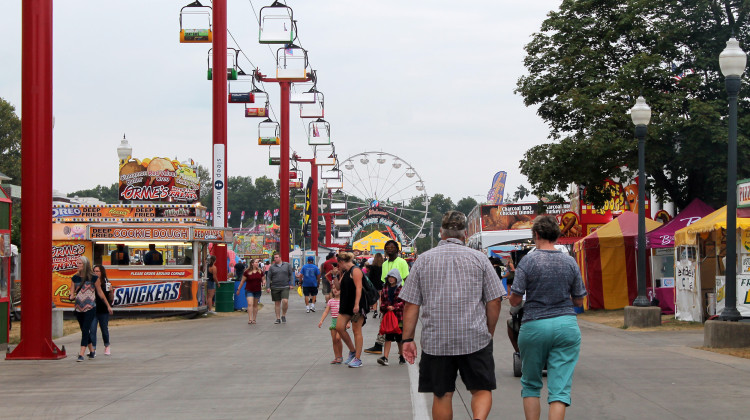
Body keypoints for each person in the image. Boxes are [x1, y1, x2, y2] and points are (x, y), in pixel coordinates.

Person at [400, 210, 505, 420]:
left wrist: (408, 339)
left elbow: (411, 304)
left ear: (441, 233)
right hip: (474, 337)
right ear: (465, 234)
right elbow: (494, 300)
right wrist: (489, 331)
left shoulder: (422, 261)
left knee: (442, 394)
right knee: (481, 389)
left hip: (436, 340)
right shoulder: (480, 259)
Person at [508, 216, 587, 420]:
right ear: (557, 236)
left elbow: (515, 300)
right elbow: (579, 301)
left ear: (536, 235)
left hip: (534, 325)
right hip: (566, 326)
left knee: (531, 384)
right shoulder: (570, 262)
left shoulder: (528, 261)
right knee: (559, 390)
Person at [365, 240, 409, 355]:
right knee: (384, 322)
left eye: (392, 247)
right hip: (388, 297)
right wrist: (382, 299)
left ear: (397, 249)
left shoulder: (402, 262)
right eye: (387, 247)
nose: (390, 249)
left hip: (400, 297)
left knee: (401, 324)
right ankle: (379, 345)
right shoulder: (384, 264)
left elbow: (406, 279)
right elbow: (384, 283)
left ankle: (402, 349)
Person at [70, 256, 113, 361]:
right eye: (77, 263)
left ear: (84, 265)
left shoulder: (94, 278)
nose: (78, 265)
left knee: (86, 329)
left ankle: (81, 353)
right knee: (84, 330)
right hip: (79, 307)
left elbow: (100, 293)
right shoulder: (74, 278)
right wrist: (71, 296)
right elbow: (71, 292)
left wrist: (108, 305)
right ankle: (92, 351)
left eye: (80, 263)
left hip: (90, 307)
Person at [333, 252, 367, 368]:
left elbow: (359, 288)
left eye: (338, 264)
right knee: (339, 327)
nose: (338, 266)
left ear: (342, 262)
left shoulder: (355, 270)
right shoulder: (345, 272)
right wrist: (334, 276)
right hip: (345, 304)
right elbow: (338, 287)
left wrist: (357, 304)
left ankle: (358, 358)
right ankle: (352, 351)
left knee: (356, 330)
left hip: (356, 304)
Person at [377, 269, 405, 367]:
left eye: (393, 277)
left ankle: (402, 356)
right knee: (388, 337)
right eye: (390, 277)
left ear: (397, 278)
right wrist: (385, 307)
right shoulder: (385, 288)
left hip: (398, 316)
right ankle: (385, 357)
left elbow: (403, 302)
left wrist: (394, 307)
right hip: (388, 316)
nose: (391, 279)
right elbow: (382, 301)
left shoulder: (401, 288)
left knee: (399, 338)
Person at [91, 265, 115, 356]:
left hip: (103, 309)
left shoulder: (106, 283)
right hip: (93, 309)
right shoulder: (91, 282)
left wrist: (111, 291)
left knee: (104, 329)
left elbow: (111, 298)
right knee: (92, 329)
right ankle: (93, 348)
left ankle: (107, 346)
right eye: (95, 271)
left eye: (98, 271)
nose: (96, 273)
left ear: (102, 272)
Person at [317, 285, 343, 364]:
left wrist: (348, 322)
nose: (335, 290)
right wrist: (321, 320)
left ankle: (340, 356)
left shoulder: (343, 301)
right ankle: (337, 357)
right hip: (333, 321)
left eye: (338, 289)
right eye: (334, 288)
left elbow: (346, 313)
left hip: (341, 321)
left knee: (338, 338)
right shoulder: (331, 301)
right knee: (334, 340)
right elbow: (326, 311)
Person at [266, 252, 294, 324]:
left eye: (277, 257)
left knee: (285, 301)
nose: (275, 259)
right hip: (275, 286)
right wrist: (268, 286)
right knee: (277, 303)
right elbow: (268, 277)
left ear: (280, 258)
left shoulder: (287, 265)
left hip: (285, 286)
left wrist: (291, 283)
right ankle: (278, 318)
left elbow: (291, 275)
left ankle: (283, 315)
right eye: (274, 257)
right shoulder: (272, 267)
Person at [237, 259, 264, 324]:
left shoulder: (260, 271)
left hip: (257, 290)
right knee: (250, 304)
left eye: (258, 262)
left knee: (255, 305)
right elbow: (242, 281)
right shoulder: (247, 272)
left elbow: (263, 279)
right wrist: (239, 289)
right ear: (252, 263)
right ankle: (250, 319)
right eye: (256, 262)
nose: (257, 263)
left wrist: (264, 282)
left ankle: (254, 319)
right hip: (249, 290)